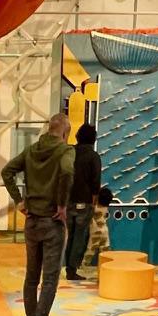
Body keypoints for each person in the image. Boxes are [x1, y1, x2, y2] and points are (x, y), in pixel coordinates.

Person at [0, 113, 76, 316]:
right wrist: (62, 204)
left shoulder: (31, 150)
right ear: (65, 131)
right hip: (52, 221)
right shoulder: (65, 151)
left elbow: (7, 172)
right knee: (50, 279)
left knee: (31, 276)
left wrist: (19, 201)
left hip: (31, 220)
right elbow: (67, 171)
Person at [65, 121, 102, 283]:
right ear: (93, 139)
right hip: (84, 201)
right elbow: (95, 182)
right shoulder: (93, 157)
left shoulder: (69, 152)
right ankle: (72, 269)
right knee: (80, 236)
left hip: (67, 200)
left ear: (77, 136)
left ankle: (68, 267)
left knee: (70, 235)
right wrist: (94, 203)